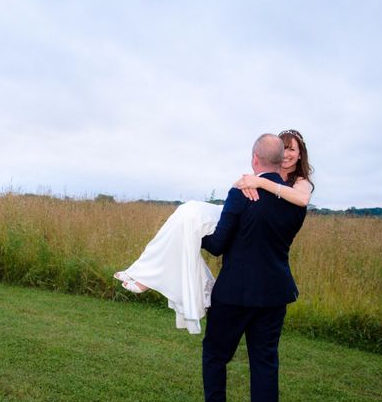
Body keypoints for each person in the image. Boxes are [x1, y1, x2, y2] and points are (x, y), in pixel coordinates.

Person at [113, 129, 313, 334]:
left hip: (251, 224)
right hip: (233, 213)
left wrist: (259, 182)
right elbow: (242, 190)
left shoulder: (300, 182)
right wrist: (245, 185)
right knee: (185, 214)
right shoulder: (267, 173)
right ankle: (145, 274)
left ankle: (153, 278)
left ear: (300, 154)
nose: (287, 154)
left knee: (189, 220)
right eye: (284, 148)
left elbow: (302, 199)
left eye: (292, 149)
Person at [187, 133, 307, 402]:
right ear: (280, 159)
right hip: (274, 293)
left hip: (234, 293)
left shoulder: (241, 193)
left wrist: (194, 234)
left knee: (215, 353)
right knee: (265, 361)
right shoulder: (296, 204)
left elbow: (217, 245)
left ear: (255, 159)